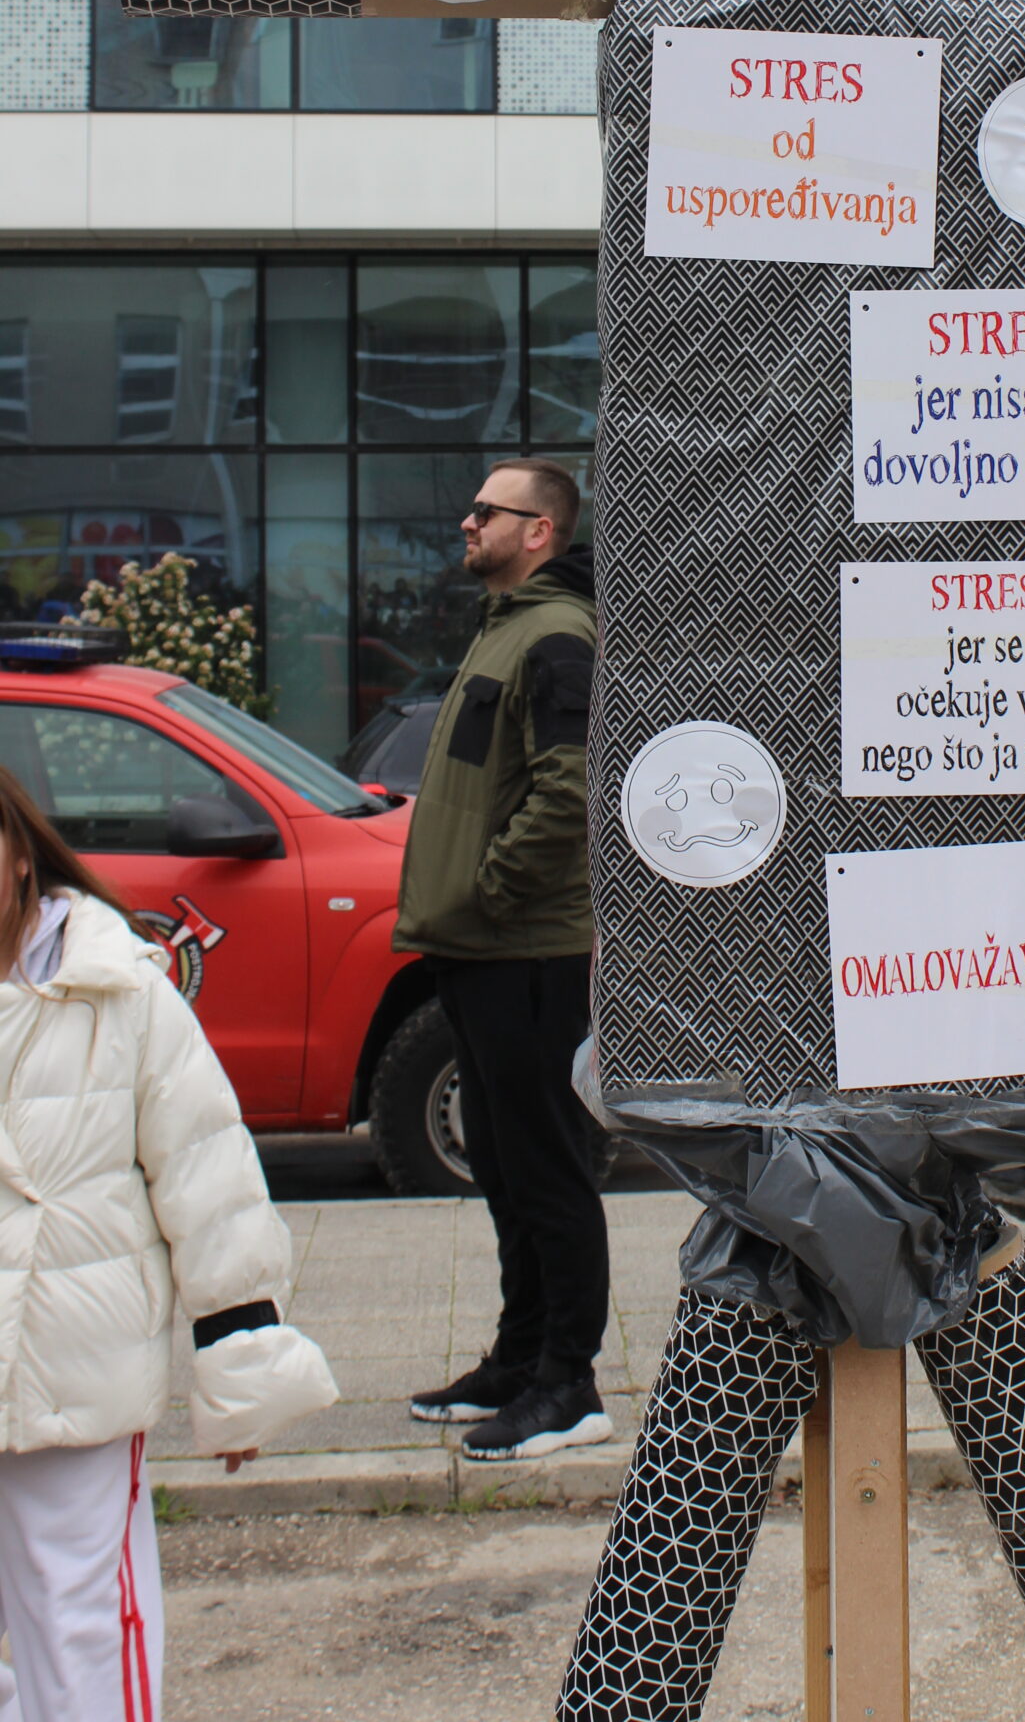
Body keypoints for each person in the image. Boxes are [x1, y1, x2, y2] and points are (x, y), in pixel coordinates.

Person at [0, 765, 338, 1718]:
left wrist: (244, 1367)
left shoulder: (120, 990)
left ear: (20, 855)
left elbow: (207, 1178)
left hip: (74, 1360)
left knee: (81, 1635)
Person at [395, 457, 611, 1463]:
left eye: (487, 510)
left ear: (539, 531)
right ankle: (521, 1357)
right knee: (504, 1166)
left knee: (546, 1168)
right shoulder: (505, 628)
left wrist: (490, 888)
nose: (467, 522)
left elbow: (571, 790)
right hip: (481, 948)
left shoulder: (557, 634)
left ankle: (569, 1384)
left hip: (525, 949)